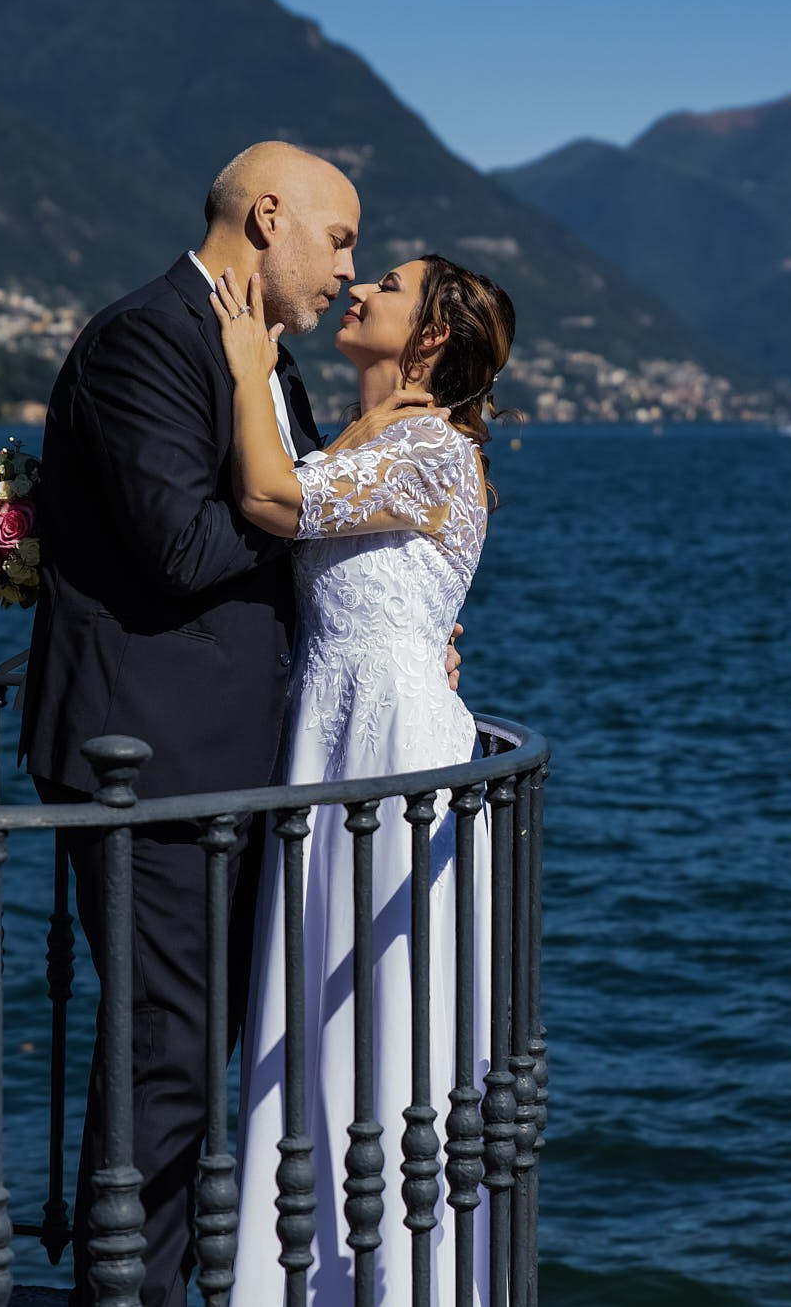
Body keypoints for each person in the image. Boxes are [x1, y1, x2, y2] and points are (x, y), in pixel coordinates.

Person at [17, 141, 456, 1307]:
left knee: (199, 1044)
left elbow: (272, 522)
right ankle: (130, 1296)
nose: (345, 272)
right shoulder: (148, 342)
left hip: (236, 761)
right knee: (166, 1043)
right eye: (339, 238)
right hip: (146, 759)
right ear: (268, 217)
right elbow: (184, 547)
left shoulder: (261, 355)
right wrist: (295, 502)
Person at [208, 254, 514, 1305]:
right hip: (330, 733)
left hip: (388, 749)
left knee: (382, 1013)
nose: (359, 287)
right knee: (310, 1000)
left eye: (386, 283)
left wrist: (250, 362)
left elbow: (269, 496)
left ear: (429, 336)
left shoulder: (431, 448)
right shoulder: (361, 435)